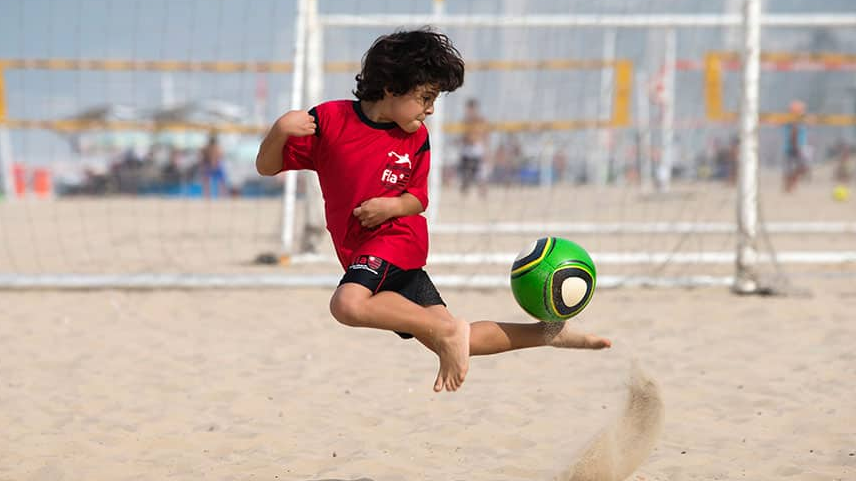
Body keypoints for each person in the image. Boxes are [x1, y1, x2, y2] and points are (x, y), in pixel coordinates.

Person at [255, 28, 610, 393]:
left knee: (347, 304)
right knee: (461, 338)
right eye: (425, 97)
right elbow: (267, 167)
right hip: (361, 254)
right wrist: (280, 129)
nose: (430, 109)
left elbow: (418, 200)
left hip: (395, 242)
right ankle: (550, 333)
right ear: (391, 87)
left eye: (435, 99)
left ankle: (446, 330)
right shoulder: (330, 121)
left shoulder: (416, 138)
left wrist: (391, 206)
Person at [457, 97, 489, 197]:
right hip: (466, 150)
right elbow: (463, 137)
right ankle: (464, 196)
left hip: (477, 150)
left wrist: (487, 151)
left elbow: (486, 137)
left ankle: (482, 196)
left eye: (471, 108)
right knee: (465, 176)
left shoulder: (481, 120)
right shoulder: (465, 121)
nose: (469, 111)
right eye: (468, 109)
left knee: (480, 176)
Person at [783, 100, 808, 193]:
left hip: (795, 148)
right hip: (794, 148)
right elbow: (793, 135)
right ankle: (789, 186)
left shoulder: (796, 121)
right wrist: (796, 147)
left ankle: (790, 186)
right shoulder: (794, 122)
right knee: (796, 168)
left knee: (794, 168)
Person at [200, 133, 228, 198]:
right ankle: (209, 195)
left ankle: (220, 195)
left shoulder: (214, 148)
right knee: (207, 181)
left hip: (214, 165)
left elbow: (220, 156)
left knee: (221, 182)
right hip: (211, 165)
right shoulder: (209, 148)